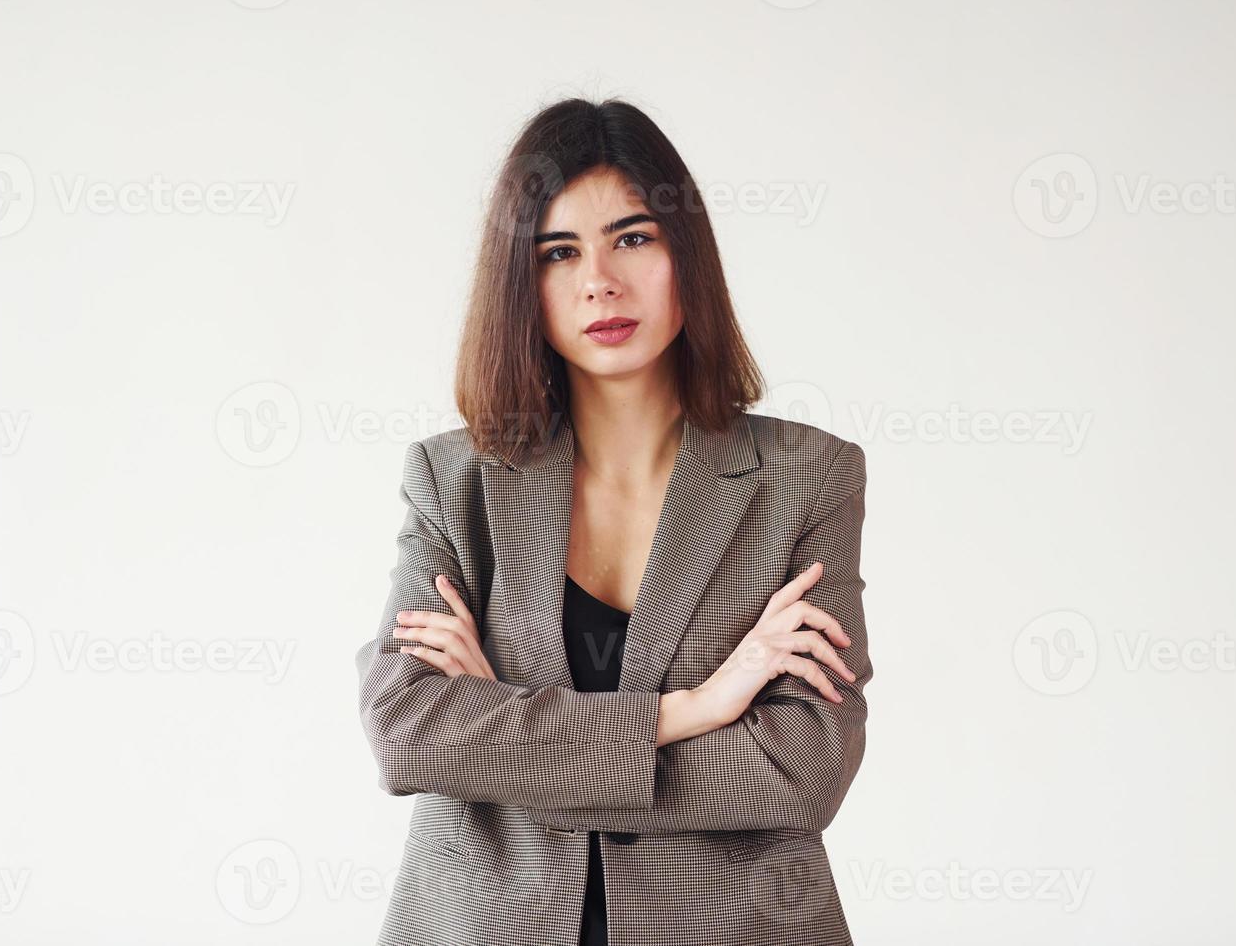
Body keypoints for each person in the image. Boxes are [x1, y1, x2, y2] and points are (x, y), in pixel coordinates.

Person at [356, 97, 873, 946]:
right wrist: (697, 707)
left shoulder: (807, 477)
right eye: (560, 252)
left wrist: (499, 720)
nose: (600, 280)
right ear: (523, 283)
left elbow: (801, 768)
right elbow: (408, 732)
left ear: (686, 253)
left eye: (633, 237)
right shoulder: (456, 481)